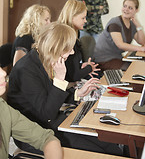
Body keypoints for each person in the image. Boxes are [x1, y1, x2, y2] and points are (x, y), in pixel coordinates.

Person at [7, 22, 123, 156]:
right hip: (36, 132)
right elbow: (47, 113)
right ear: (56, 46)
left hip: (52, 122)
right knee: (97, 151)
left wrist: (77, 94)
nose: (72, 52)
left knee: (108, 144)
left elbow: (51, 95)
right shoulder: (26, 70)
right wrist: (60, 79)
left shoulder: (43, 59)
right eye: (69, 48)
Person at [0, 67, 63, 159]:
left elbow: (46, 138)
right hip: (44, 122)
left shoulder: (3, 108)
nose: (3, 73)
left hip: (44, 124)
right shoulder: (28, 68)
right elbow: (48, 113)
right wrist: (60, 80)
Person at [94, 0, 145, 71]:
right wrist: (142, 49)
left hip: (116, 57)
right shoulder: (115, 23)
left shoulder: (131, 24)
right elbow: (120, 45)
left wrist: (138, 25)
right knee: (133, 71)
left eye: (130, 8)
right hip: (103, 59)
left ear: (136, 10)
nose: (126, 9)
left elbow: (141, 42)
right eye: (124, 6)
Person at [58, 0, 100, 82]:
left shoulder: (74, 34)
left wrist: (81, 65)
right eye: (83, 18)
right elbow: (74, 76)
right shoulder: (67, 38)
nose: (85, 21)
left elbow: (70, 66)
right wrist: (89, 68)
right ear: (72, 17)